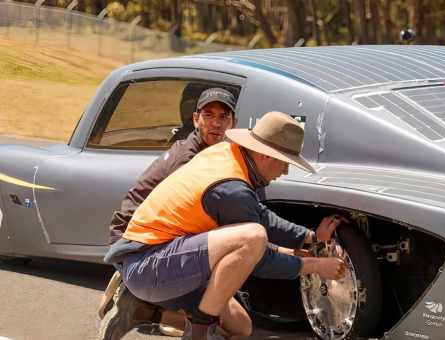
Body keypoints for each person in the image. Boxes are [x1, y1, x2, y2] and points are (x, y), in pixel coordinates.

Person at [105, 111, 346, 340]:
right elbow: (258, 258)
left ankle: (142, 308)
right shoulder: (231, 188)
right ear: (266, 155)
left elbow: (260, 215)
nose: (285, 171)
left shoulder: (228, 153)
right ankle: (199, 331)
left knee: (241, 327)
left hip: (161, 258)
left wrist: (310, 237)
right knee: (252, 237)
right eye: (284, 162)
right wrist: (315, 265)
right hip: (148, 266)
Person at [97, 87, 238, 338]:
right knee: (226, 320)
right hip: (137, 248)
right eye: (209, 115)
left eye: (223, 116)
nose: (216, 123)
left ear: (233, 122)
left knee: (237, 318)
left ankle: (151, 304)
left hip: (149, 241)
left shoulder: (210, 153)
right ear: (196, 119)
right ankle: (142, 302)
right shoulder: (189, 159)